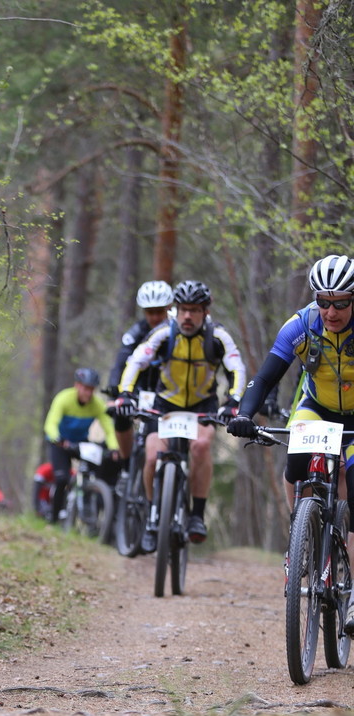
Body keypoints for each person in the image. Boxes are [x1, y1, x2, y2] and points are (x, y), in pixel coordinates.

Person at [228, 254, 354, 629]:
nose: (331, 312)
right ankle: (300, 533)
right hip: (316, 407)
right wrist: (245, 415)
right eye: (324, 301)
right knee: (297, 460)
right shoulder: (301, 325)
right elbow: (266, 377)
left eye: (341, 303)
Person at [117, 279, 246, 551]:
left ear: (205, 312)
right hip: (165, 405)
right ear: (176, 309)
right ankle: (152, 517)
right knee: (152, 456)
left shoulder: (217, 336)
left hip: (202, 406)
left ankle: (196, 516)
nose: (187, 316)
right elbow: (136, 361)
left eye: (194, 310)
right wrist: (125, 394)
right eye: (183, 309)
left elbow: (236, 368)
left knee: (200, 446)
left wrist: (233, 401)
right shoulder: (164, 333)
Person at [106, 280, 174, 463]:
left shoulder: (177, 331)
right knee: (121, 414)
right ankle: (126, 462)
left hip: (168, 390)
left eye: (159, 311)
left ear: (169, 308)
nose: (155, 317)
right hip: (140, 387)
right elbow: (121, 361)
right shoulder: (136, 332)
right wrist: (114, 390)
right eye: (150, 312)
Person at [43, 367, 119, 525]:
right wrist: (56, 438)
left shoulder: (97, 405)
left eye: (92, 389)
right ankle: (54, 518)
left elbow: (109, 429)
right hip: (61, 443)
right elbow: (51, 423)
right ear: (77, 385)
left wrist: (113, 448)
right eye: (86, 388)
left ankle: (94, 512)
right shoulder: (64, 398)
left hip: (81, 443)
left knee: (100, 469)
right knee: (62, 479)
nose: (89, 393)